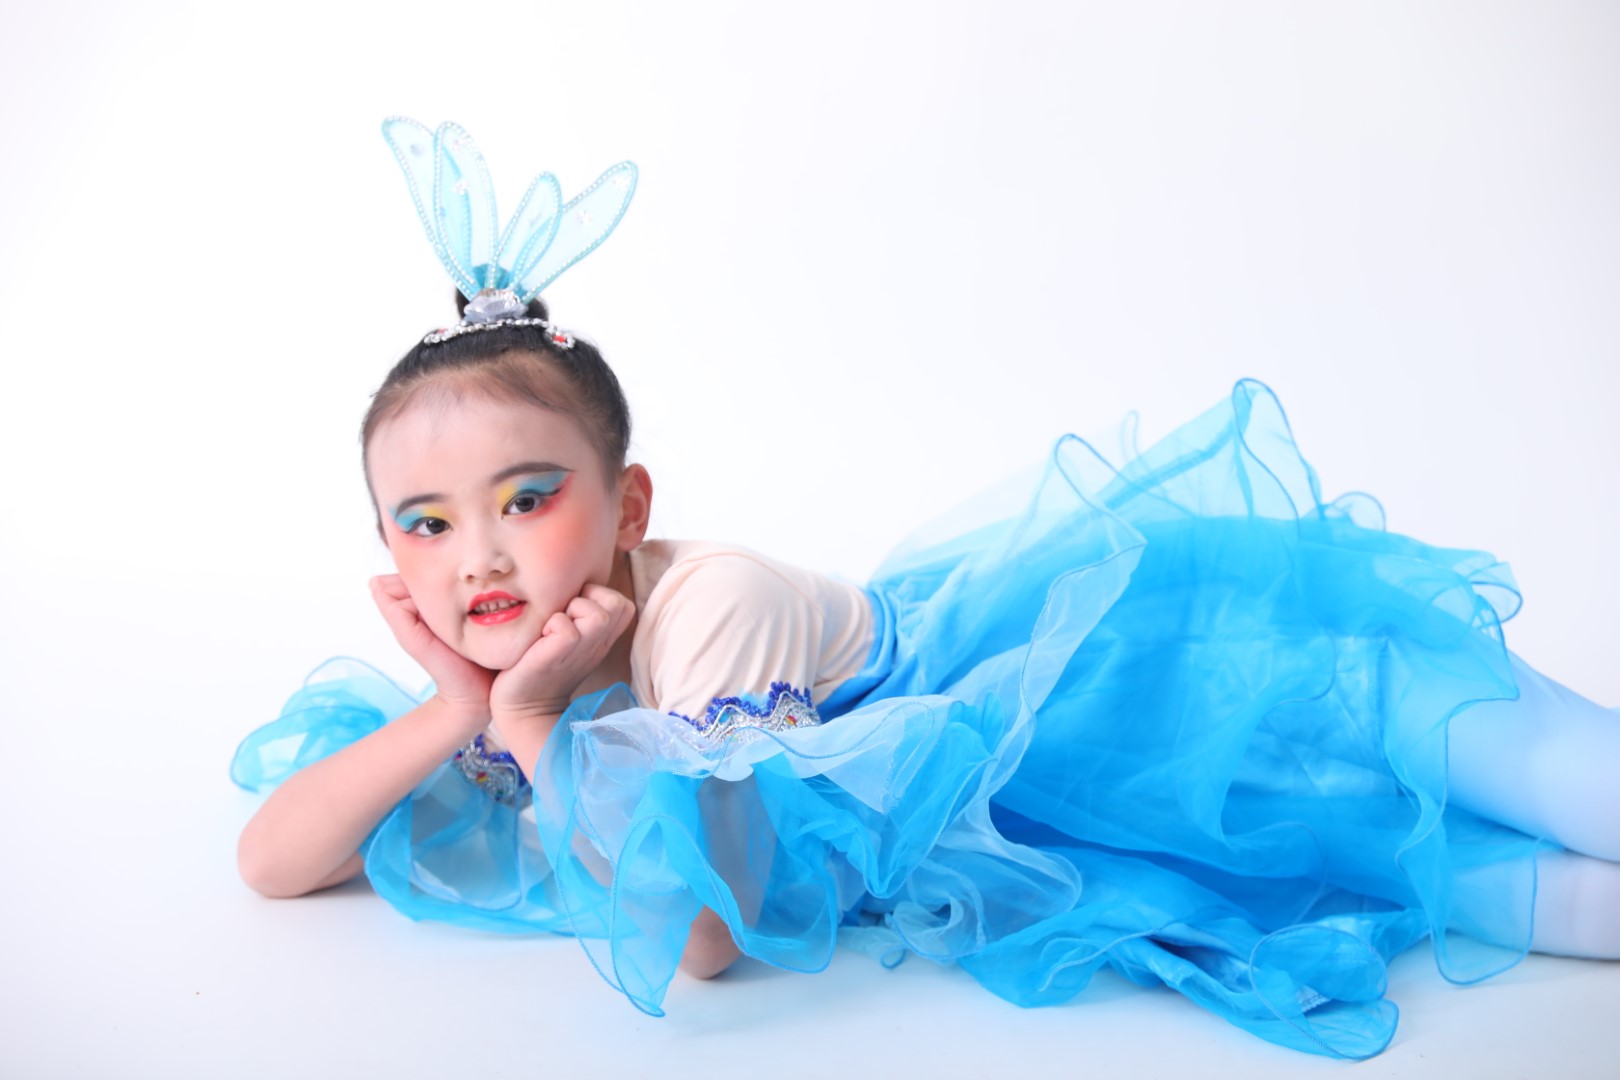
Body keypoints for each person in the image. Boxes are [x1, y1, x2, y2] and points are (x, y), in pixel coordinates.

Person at [232, 120, 1620, 1060]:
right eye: (425, 524)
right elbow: (272, 864)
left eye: (527, 499)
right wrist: (456, 708)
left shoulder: (705, 615)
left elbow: (707, 938)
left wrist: (532, 726)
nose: (476, 557)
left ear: (629, 506)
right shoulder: (507, 669)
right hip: (1059, 817)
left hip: (1126, 676)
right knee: (1428, 870)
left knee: (1509, 761)